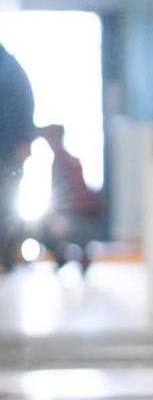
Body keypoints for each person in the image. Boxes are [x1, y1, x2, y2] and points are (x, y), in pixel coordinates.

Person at [37, 125, 103, 272]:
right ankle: (68, 256)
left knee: (41, 230)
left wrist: (60, 217)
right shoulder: (65, 160)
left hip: (76, 218)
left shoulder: (64, 161)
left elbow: (69, 196)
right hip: (78, 217)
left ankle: (69, 257)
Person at [0, 43, 35, 271]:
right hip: (10, 152)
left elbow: (25, 108)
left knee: (6, 207)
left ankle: (6, 257)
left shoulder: (11, 71)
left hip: (8, 154)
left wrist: (24, 143)